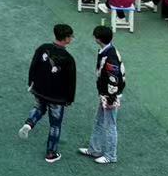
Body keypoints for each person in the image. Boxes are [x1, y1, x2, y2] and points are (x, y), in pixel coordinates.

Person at [18, 22, 77, 163]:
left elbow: (33, 66)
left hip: (40, 89)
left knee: (39, 107)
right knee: (55, 124)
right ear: (66, 38)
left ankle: (29, 123)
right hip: (57, 97)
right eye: (71, 36)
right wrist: (69, 99)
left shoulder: (43, 48)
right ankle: (51, 153)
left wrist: (31, 82)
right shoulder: (68, 59)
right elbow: (71, 81)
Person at [78, 25, 124, 165]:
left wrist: (110, 98)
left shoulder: (110, 56)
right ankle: (94, 149)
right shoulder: (108, 50)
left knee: (110, 125)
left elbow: (113, 79)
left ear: (98, 39)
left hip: (110, 95)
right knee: (99, 121)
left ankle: (111, 155)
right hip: (106, 93)